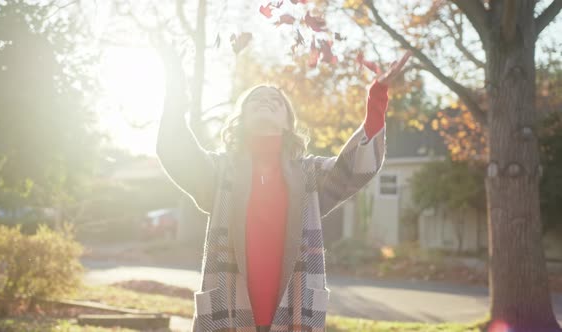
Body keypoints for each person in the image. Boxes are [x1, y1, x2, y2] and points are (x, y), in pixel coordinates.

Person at [156, 43, 411, 332]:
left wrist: (377, 96)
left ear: (289, 123)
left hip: (295, 316)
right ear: (240, 120)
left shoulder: (310, 174)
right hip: (226, 315)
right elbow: (175, 149)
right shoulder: (219, 171)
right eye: (255, 99)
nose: (265, 100)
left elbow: (359, 166)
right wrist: (175, 85)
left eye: (275, 99)